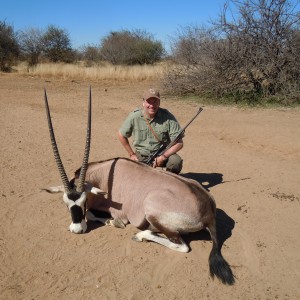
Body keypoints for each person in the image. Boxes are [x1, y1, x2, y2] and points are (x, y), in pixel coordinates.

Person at [117, 88, 183, 174]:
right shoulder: (134, 116)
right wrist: (131, 154)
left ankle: (169, 180)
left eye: (155, 102)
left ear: (159, 103)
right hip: (141, 156)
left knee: (176, 161)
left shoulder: (168, 117)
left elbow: (179, 143)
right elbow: (121, 134)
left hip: (163, 154)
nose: (152, 105)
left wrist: (163, 157)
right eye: (149, 102)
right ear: (143, 102)